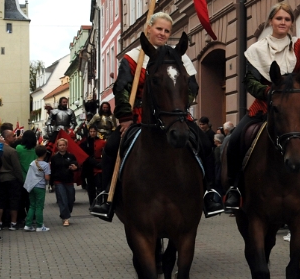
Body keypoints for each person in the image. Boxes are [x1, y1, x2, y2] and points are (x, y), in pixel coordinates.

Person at [90, 12, 222, 220]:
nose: (162, 33)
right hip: (140, 116)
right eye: (159, 29)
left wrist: (179, 106)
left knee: (204, 143)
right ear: (149, 29)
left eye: (167, 30)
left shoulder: (180, 57)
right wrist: (125, 117)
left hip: (174, 114)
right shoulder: (133, 57)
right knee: (112, 146)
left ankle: (210, 192)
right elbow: (122, 88)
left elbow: (192, 87)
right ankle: (107, 194)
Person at [221, 2, 300, 212]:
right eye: (279, 18)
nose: (283, 22)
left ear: (291, 23)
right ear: (271, 21)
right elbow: (250, 81)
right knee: (236, 138)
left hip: (295, 109)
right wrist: (268, 92)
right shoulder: (256, 50)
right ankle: (233, 188)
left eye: (287, 19)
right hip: (264, 106)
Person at [0, 130, 23, 231]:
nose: (15, 137)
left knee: (0, 201)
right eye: (13, 136)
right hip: (11, 178)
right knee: (13, 201)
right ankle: (13, 223)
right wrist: (21, 180)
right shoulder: (12, 151)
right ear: (7, 137)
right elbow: (17, 168)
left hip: (0, 178)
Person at [50, 138, 78, 226]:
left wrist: (75, 168)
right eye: (60, 145)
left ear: (66, 146)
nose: (62, 147)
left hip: (69, 181)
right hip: (58, 181)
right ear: (57, 147)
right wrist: (51, 183)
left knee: (70, 200)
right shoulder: (54, 158)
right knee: (63, 199)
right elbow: (52, 170)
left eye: (64, 145)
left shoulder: (71, 156)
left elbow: (76, 165)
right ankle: (66, 218)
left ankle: (66, 213)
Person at [23, 145, 50, 232]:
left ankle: (28, 225)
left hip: (31, 186)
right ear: (45, 154)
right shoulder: (46, 165)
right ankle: (39, 225)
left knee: (32, 206)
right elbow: (47, 177)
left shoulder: (32, 163)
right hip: (40, 187)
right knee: (39, 206)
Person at [15, 130, 38, 227]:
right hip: (32, 178)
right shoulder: (35, 149)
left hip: (21, 177)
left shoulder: (19, 148)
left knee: (21, 199)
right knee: (31, 200)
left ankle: (21, 218)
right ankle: (32, 217)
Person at [79, 126, 104, 206]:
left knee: (99, 186)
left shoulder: (102, 142)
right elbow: (85, 156)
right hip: (89, 167)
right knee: (91, 188)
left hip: (99, 167)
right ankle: (92, 204)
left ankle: (100, 203)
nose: (92, 133)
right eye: (91, 131)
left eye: (94, 131)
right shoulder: (84, 143)